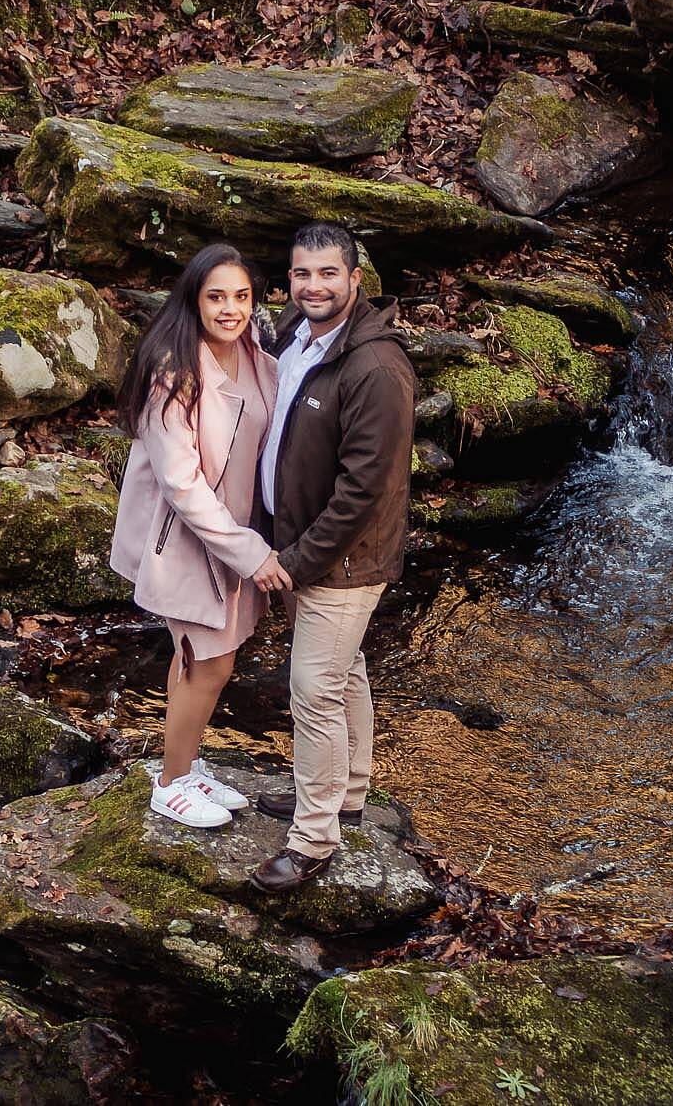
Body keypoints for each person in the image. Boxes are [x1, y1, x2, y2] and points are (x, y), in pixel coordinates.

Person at [246, 221, 417, 892]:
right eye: (301, 274)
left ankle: (314, 838)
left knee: (314, 689)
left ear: (355, 279)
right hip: (300, 546)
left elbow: (362, 492)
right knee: (345, 673)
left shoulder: (376, 367)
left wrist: (295, 559)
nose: (313, 286)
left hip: (340, 560)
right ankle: (346, 794)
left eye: (327, 274)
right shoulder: (296, 330)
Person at [110, 244, 292, 828]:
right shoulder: (174, 372)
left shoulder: (258, 357)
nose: (230, 309)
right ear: (194, 299)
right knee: (207, 659)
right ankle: (169, 783)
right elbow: (180, 483)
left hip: (238, 530)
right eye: (217, 297)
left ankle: (183, 764)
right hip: (189, 539)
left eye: (241, 297)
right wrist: (248, 551)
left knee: (204, 657)